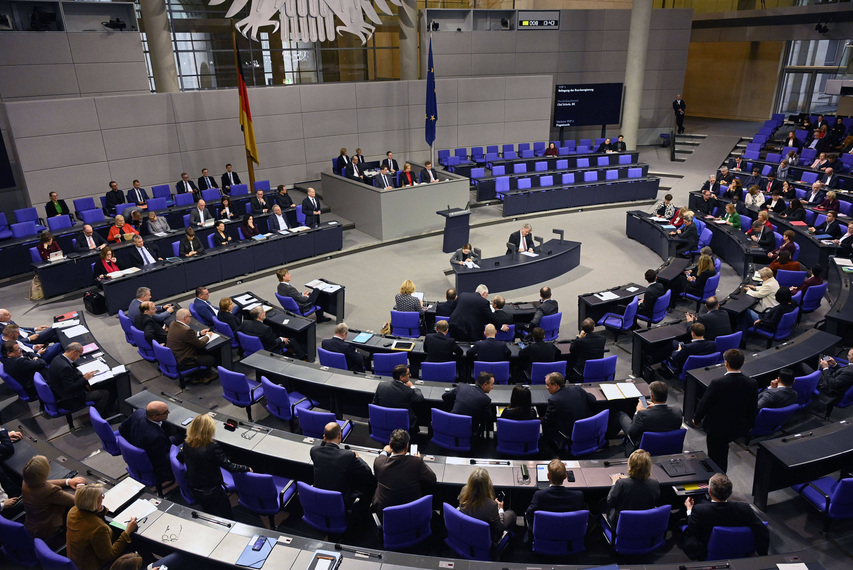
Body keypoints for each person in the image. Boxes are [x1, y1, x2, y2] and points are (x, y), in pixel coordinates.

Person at [693, 349, 757, 472]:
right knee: (722, 450)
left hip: (717, 427)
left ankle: (717, 479)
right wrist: (750, 425)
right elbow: (753, 407)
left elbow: (704, 404)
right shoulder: (751, 382)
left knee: (715, 455)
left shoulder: (718, 383)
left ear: (726, 363)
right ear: (743, 362)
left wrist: (696, 419)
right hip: (738, 426)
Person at [177, 414, 249, 518]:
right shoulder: (212, 446)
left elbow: (179, 457)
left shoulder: (187, 443)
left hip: (195, 487)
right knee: (227, 515)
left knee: (209, 514)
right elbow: (230, 467)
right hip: (212, 489)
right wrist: (247, 468)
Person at [683, 474, 769, 561]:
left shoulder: (699, 510)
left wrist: (689, 510)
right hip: (739, 549)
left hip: (706, 550)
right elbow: (761, 530)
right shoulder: (744, 509)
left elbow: (692, 528)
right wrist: (763, 556)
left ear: (710, 490)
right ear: (730, 492)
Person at [66, 484, 136, 570]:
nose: (103, 498)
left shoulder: (73, 510)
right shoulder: (98, 528)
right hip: (94, 566)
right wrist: (127, 532)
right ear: (93, 504)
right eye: (101, 497)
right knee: (138, 553)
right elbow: (110, 556)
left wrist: (100, 508)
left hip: (78, 562)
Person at [310, 422, 376, 512]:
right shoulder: (348, 455)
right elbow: (367, 471)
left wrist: (324, 441)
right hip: (340, 501)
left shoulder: (314, 451)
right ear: (340, 435)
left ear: (324, 436)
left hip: (320, 498)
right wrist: (357, 457)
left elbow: (322, 449)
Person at [22, 455, 86, 539]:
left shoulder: (26, 482)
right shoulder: (49, 490)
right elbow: (77, 501)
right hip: (48, 529)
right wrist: (80, 485)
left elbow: (45, 482)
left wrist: (68, 481)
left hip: (32, 526)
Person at [372, 429, 436, 514]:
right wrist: (420, 460)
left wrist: (384, 451)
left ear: (390, 445)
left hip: (386, 515)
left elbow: (381, 457)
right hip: (411, 514)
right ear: (407, 447)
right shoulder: (416, 462)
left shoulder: (379, 462)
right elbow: (432, 479)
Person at [119, 401, 177, 487]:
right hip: (156, 468)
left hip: (140, 453)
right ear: (155, 417)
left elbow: (122, 428)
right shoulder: (157, 437)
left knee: (174, 437)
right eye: (165, 412)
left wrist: (133, 444)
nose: (169, 412)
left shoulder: (138, 412)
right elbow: (163, 462)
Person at [47, 342, 111, 416]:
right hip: (70, 398)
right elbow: (70, 388)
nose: (79, 358)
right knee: (104, 393)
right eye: (79, 355)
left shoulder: (58, 358)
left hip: (58, 390)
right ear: (74, 352)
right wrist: (84, 379)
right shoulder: (65, 368)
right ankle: (99, 417)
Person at [458, 468, 517, 546]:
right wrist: (500, 509)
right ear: (487, 485)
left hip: (467, 533)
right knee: (511, 514)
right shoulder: (492, 505)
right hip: (488, 540)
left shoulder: (463, 492)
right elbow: (500, 528)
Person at [605, 450, 659, 528]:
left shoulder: (621, 484)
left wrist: (614, 483)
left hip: (622, 525)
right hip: (644, 524)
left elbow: (610, 503)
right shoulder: (654, 484)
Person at [618, 381, 682, 447]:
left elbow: (632, 433)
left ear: (652, 396)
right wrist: (655, 405)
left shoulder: (642, 415)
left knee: (620, 415)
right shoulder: (677, 411)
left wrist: (637, 412)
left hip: (645, 449)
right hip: (669, 446)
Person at [525, 458, 584, 530]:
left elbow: (529, 515)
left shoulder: (539, 495)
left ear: (548, 476)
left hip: (544, 535)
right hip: (569, 535)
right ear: (565, 476)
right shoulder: (578, 496)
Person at [541, 372, 595, 450]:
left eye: (548, 385)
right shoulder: (577, 389)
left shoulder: (554, 400)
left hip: (570, 434)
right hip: (587, 429)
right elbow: (592, 399)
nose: (546, 387)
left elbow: (547, 421)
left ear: (556, 385)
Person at [166, 308, 216, 381]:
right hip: (185, 360)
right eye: (190, 316)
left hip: (176, 356)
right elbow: (200, 344)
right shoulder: (186, 330)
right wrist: (208, 336)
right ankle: (204, 377)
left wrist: (199, 333)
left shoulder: (173, 323)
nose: (191, 318)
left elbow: (186, 336)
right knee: (210, 359)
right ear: (185, 318)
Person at [240, 306, 306, 360]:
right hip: (268, 349)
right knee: (291, 340)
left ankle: (290, 350)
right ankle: (303, 358)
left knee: (277, 332)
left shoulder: (245, 323)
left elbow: (237, 332)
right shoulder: (266, 328)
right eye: (263, 312)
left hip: (254, 345)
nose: (265, 313)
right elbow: (273, 344)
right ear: (260, 316)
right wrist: (281, 339)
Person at [372, 365, 424, 432]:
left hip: (384, 422)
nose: (410, 375)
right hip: (402, 426)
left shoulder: (382, 385)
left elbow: (374, 404)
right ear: (401, 377)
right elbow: (420, 398)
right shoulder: (408, 391)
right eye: (408, 374)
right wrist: (412, 386)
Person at [442, 371, 495, 436]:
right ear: (485, 385)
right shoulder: (485, 400)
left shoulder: (462, 387)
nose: (493, 387)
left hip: (451, 427)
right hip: (468, 434)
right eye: (492, 384)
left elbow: (444, 396)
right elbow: (488, 419)